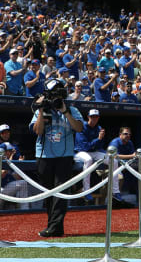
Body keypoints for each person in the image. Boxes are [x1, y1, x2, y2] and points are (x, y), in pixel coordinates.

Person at [30, 79, 83, 237]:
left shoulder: (72, 110)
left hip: (64, 157)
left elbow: (79, 128)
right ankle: (55, 227)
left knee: (60, 192)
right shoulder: (42, 110)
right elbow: (38, 131)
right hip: (44, 156)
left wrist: (65, 111)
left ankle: (53, 228)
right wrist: (40, 110)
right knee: (48, 193)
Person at [74, 109, 122, 204]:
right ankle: (86, 190)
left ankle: (115, 191)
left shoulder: (99, 128)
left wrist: (100, 141)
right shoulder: (82, 127)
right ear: (88, 117)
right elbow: (85, 147)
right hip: (80, 152)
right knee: (88, 160)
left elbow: (99, 147)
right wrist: (98, 139)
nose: (94, 119)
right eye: (92, 117)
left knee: (114, 161)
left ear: (98, 118)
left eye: (96, 117)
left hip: (94, 152)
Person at [0, 142, 29, 210]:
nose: (11, 152)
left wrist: (19, 165)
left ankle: (24, 209)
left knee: (23, 183)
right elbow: (2, 175)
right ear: (3, 151)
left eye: (11, 151)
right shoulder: (5, 161)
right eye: (9, 151)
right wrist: (10, 159)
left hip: (5, 189)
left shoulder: (10, 161)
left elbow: (17, 177)